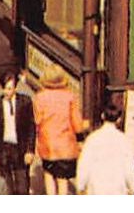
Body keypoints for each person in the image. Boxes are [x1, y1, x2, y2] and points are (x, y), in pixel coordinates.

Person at [33, 66, 86, 195]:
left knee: (49, 175)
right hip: (65, 145)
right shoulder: (69, 96)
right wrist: (80, 139)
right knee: (63, 180)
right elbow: (76, 121)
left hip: (47, 144)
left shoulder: (39, 97)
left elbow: (37, 120)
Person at [0, 69, 36, 195]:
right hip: (3, 148)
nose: (7, 92)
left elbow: (31, 127)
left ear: (15, 87)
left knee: (22, 187)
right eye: (5, 88)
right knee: (7, 188)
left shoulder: (25, 102)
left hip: (20, 148)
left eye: (10, 88)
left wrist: (30, 150)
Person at [75, 101, 134, 195]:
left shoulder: (93, 138)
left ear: (102, 116)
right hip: (117, 186)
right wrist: (133, 187)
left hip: (96, 186)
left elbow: (85, 163)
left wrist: (80, 185)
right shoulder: (124, 140)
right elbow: (129, 165)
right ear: (119, 120)